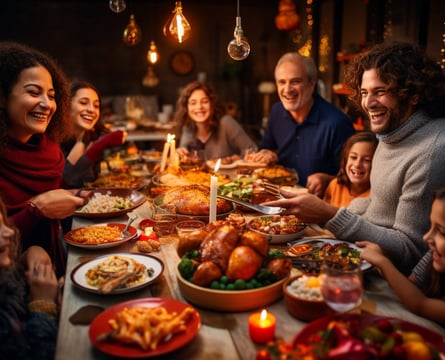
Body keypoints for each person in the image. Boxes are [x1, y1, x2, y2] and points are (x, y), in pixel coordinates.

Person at [263, 42, 445, 276]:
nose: (368, 103)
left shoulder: (432, 150)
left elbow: (411, 250)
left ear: (412, 94)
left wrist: (329, 215)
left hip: (390, 281)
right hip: (363, 257)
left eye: (380, 91)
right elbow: (378, 204)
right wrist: (328, 210)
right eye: (365, 92)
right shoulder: (392, 133)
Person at [0, 41, 85, 278]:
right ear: (2, 97)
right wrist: (36, 210)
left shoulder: (48, 149)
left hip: (53, 271)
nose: (47, 105)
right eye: (33, 92)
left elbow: (69, 185)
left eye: (51, 95)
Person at [248, 52, 355, 196]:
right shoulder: (276, 111)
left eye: (295, 81)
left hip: (321, 206)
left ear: (312, 84)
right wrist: (266, 154)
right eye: (282, 82)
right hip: (278, 198)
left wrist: (328, 180)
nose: (287, 90)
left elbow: (355, 180)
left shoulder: (337, 123)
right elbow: (266, 149)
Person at [358, 187, 445, 324]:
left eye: (441, 232)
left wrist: (384, 263)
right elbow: (409, 286)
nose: (426, 237)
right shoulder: (433, 255)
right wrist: (382, 263)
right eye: (431, 226)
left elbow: (420, 304)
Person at [0, 197, 60, 359]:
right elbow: (40, 353)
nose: (9, 231)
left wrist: (28, 257)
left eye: (3, 223)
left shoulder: (5, 276)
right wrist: (44, 305)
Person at [62, 80, 126, 188]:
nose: (92, 110)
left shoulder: (93, 134)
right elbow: (65, 180)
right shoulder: (53, 139)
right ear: (66, 105)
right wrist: (100, 144)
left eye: (96, 105)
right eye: (83, 103)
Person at [174, 81, 257, 160]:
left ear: (212, 104)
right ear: (186, 107)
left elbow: (253, 151)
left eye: (205, 101)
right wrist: (179, 154)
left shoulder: (226, 123)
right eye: (193, 103)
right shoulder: (188, 127)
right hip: (199, 175)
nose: (199, 107)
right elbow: (184, 157)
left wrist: (235, 160)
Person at [323, 131, 377, 208]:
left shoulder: (376, 197)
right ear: (345, 159)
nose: (357, 164)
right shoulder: (335, 186)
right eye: (353, 157)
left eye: (367, 160)